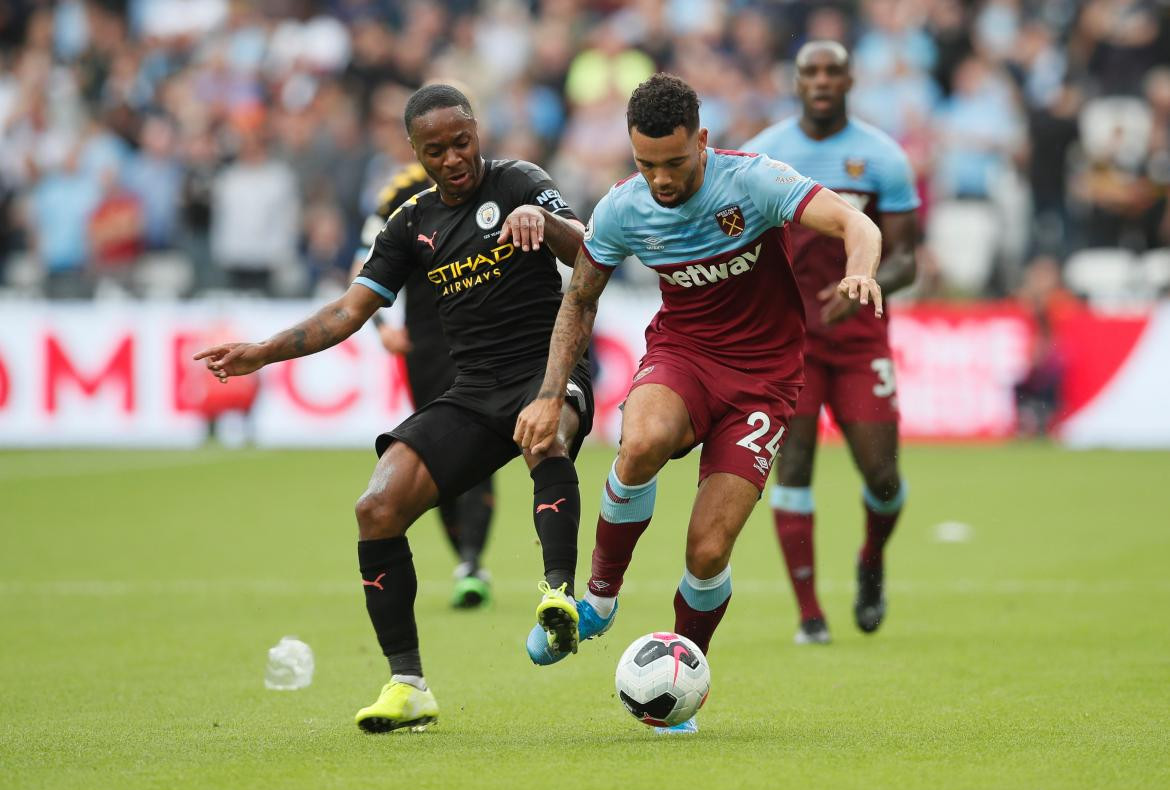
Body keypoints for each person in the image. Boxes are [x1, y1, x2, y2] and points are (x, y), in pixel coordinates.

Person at [196, 84, 594, 733]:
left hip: (547, 368)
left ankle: (558, 595)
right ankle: (407, 684)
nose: (454, 158)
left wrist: (546, 226)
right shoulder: (411, 221)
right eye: (436, 150)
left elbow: (590, 250)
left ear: (477, 132)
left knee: (543, 436)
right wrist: (264, 350)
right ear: (416, 152)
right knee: (376, 507)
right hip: (470, 389)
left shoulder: (522, 181)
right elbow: (349, 311)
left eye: (462, 142)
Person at [514, 73, 883, 731]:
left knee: (708, 550)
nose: (659, 178)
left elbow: (855, 222)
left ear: (703, 142)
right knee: (641, 441)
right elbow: (581, 296)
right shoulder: (624, 207)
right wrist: (548, 394)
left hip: (766, 381)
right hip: (683, 354)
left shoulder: (754, 182)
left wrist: (860, 268)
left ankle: (682, 672)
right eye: (645, 163)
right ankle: (599, 597)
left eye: (674, 162)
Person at [742, 41, 919, 645]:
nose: (821, 81)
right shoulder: (766, 153)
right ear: (796, 82)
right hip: (788, 343)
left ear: (849, 79)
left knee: (883, 477)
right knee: (792, 466)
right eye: (809, 72)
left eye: (831, 71)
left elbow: (908, 261)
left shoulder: (883, 157)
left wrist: (864, 279)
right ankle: (809, 615)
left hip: (859, 336)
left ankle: (871, 561)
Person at [352, 161, 496, 610]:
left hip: (484, 338)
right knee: (438, 454)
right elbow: (363, 266)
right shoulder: (402, 191)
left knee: (478, 449)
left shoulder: (496, 182)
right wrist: (381, 325)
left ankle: (471, 561)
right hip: (427, 344)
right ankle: (467, 561)